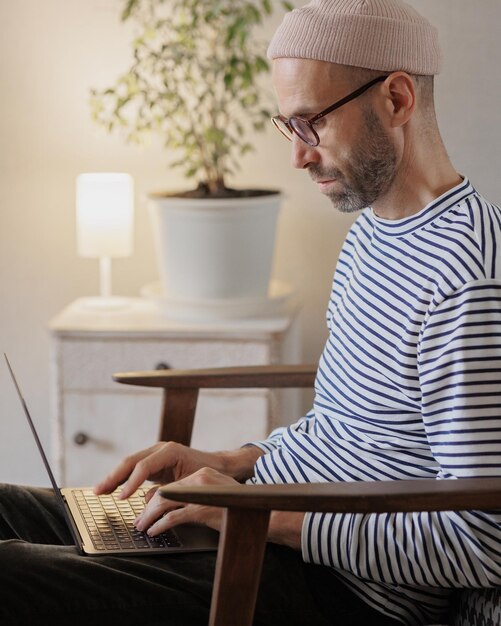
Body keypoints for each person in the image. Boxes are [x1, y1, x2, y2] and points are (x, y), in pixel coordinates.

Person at [1, 0, 501, 624]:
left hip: (334, 587)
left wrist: (260, 516)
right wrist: (229, 465)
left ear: (397, 99)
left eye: (311, 123)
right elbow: (342, 436)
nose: (297, 155)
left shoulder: (469, 275)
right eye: (286, 126)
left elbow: (486, 543)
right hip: (263, 525)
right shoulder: (372, 231)